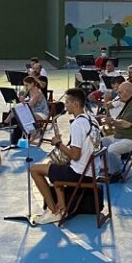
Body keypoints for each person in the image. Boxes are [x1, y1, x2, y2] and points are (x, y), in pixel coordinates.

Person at [31, 88, 99, 224]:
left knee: (34, 169)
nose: (65, 105)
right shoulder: (92, 119)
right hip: (92, 170)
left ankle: (53, 212)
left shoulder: (77, 124)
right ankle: (61, 206)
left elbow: (75, 155)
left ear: (75, 104)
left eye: (67, 102)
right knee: (55, 167)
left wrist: (58, 144)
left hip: (80, 173)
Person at [100, 81, 132, 181]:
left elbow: (126, 124)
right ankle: (106, 168)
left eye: (119, 93)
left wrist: (112, 122)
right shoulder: (130, 102)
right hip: (124, 136)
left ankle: (115, 174)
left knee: (112, 150)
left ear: (127, 92)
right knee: (102, 142)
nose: (118, 95)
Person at [6, 75, 49, 144]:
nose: (25, 87)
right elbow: (25, 100)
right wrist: (22, 98)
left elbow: (30, 106)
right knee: (18, 111)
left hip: (41, 113)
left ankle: (33, 132)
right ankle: (28, 133)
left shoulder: (37, 93)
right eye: (24, 85)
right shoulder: (29, 91)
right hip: (33, 112)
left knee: (23, 114)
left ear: (32, 84)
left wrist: (23, 102)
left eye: (27, 85)